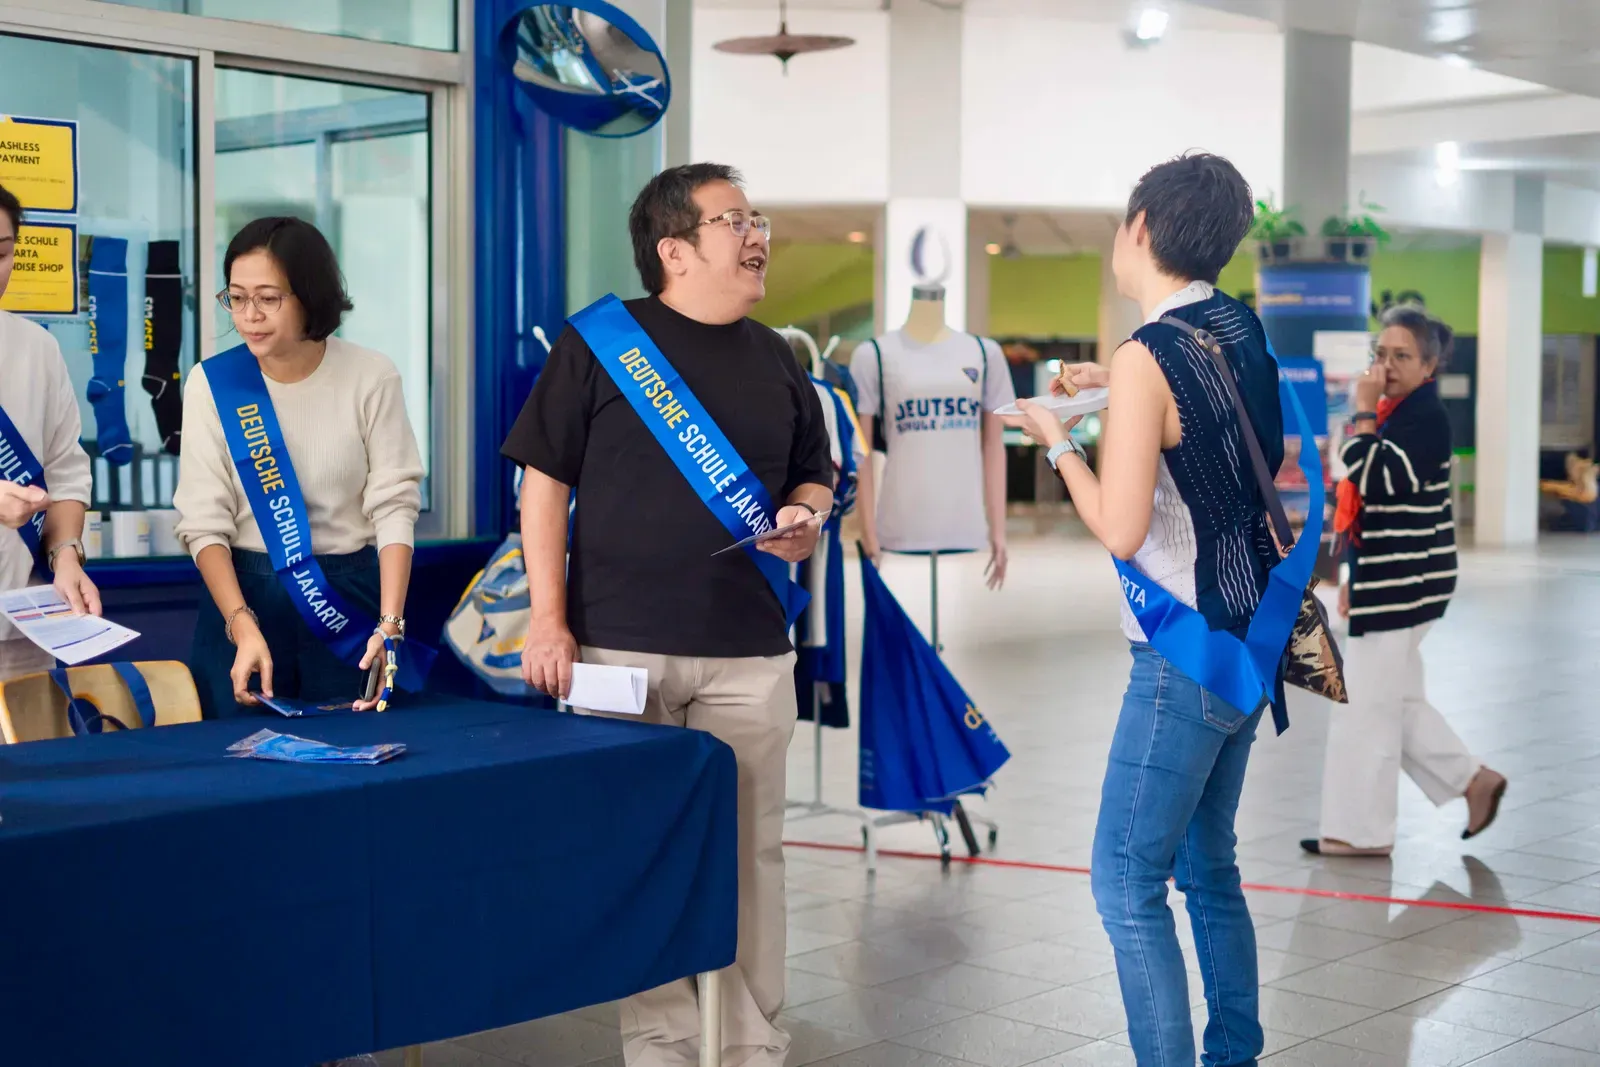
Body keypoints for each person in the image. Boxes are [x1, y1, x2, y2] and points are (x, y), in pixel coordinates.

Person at [502, 162, 832, 1067]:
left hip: (750, 650)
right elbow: (544, 486)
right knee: (639, 851)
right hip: (619, 650)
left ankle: (749, 1046)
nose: (757, 235)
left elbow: (816, 474)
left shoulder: (779, 357)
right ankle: (663, 1043)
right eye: (735, 221)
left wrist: (807, 514)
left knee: (752, 854)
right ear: (674, 249)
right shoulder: (599, 344)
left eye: (757, 219)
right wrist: (547, 618)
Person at [1007, 152, 1291, 1067]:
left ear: (1140, 226)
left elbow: (1121, 529)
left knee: (1124, 878)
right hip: (1250, 638)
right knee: (1209, 865)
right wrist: (1114, 390)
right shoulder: (1234, 325)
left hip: (1183, 652)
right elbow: (1220, 431)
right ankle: (1234, 1053)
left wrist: (1057, 440)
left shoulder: (1148, 356)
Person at [174, 217, 424, 719]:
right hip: (243, 599)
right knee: (235, 756)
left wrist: (390, 623)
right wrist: (241, 623)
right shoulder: (212, 383)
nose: (249, 316)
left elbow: (394, 505)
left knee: (356, 752)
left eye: (268, 298)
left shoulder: (371, 376)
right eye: (236, 298)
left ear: (309, 295)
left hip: (345, 602)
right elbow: (202, 522)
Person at [1303, 305, 1506, 857]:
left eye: (1402, 356)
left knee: (1366, 709)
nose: (1387, 366)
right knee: (1397, 700)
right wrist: (1355, 576)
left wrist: (1362, 414)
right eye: (1381, 354)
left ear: (1429, 365)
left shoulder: (1423, 418)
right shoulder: (1398, 413)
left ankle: (1359, 833)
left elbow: (1375, 477)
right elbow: (1372, 506)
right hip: (1393, 578)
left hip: (1405, 584)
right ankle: (1473, 781)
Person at [0, 182, 100, 681]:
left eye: (1, 253)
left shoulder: (36, 348)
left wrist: (65, 557)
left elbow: (65, 471)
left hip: (24, 625)